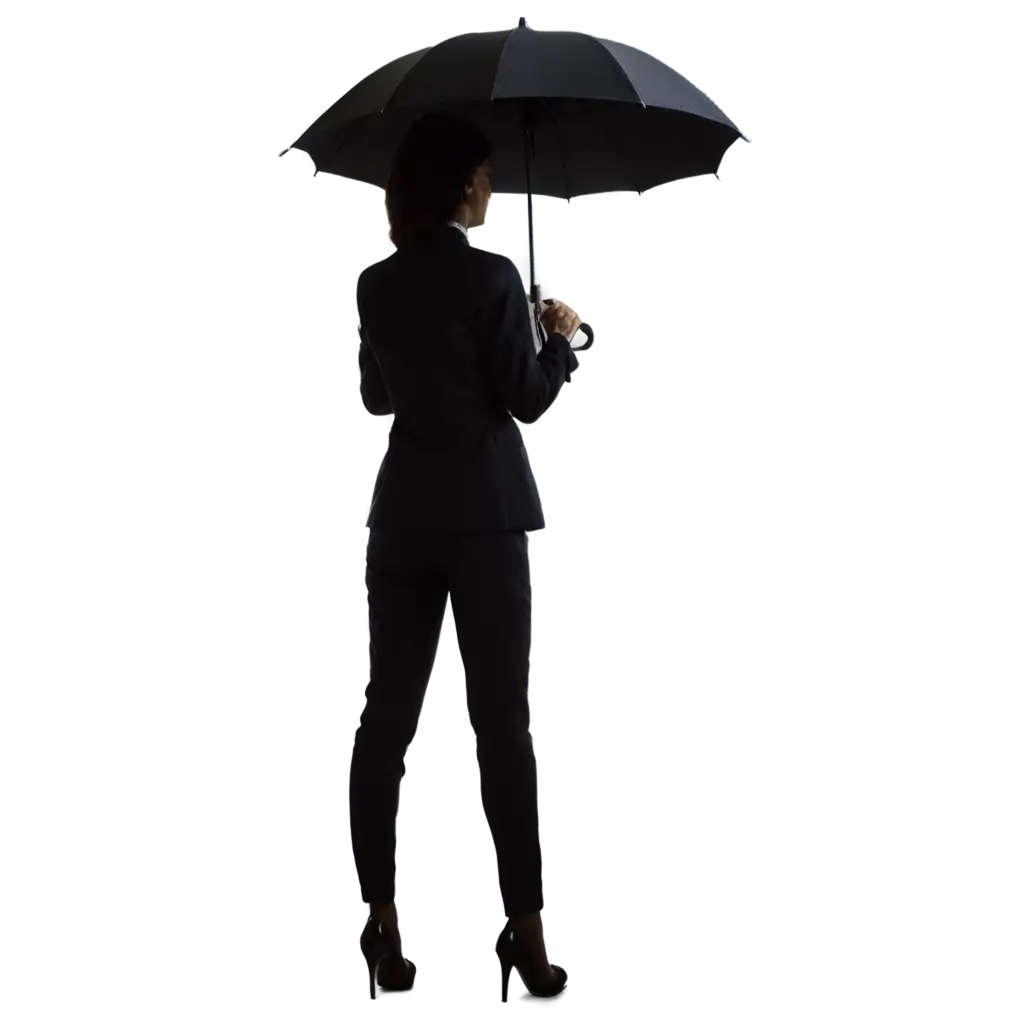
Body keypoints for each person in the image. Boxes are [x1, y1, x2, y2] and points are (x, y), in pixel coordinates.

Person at [348, 111, 585, 1003]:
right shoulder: (494, 272)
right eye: (486, 180)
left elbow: (377, 394)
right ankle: (525, 936)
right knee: (504, 733)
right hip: (486, 519)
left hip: (403, 518)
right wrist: (554, 335)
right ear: (466, 188)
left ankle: (382, 924)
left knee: (385, 726)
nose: (492, 193)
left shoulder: (377, 283)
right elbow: (521, 399)